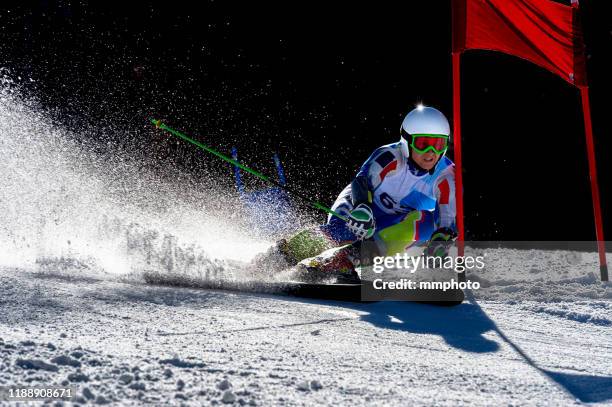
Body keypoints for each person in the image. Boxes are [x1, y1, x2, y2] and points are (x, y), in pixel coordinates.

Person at [259, 105, 457, 281]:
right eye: (423, 144)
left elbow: (447, 215)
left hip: (392, 225)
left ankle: (340, 261)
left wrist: (442, 239)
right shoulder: (389, 157)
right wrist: (362, 207)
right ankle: (282, 254)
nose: (431, 152)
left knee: (427, 223)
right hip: (361, 205)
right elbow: (361, 182)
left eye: (438, 144)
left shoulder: (446, 174)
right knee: (344, 230)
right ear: (406, 142)